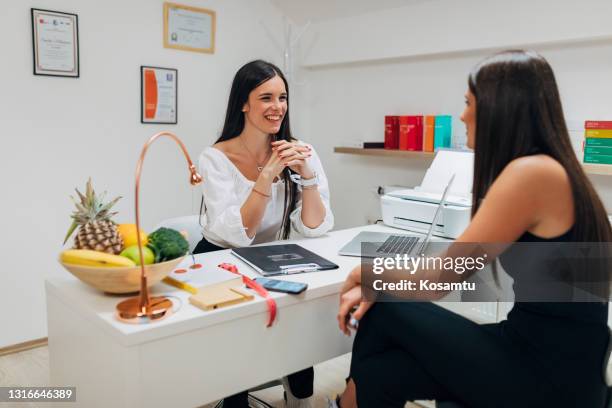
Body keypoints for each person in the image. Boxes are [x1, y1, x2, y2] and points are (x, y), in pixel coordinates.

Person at [333, 50, 612, 408]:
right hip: (546, 357)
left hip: (550, 376)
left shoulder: (532, 174)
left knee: (385, 307)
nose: (463, 115)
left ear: (501, 106)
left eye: (468, 103)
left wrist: (369, 273)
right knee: (383, 372)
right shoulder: (553, 169)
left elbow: (442, 277)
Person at [196, 60, 334, 408]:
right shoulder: (215, 158)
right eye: (266, 98)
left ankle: (299, 394)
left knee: (300, 316)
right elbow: (239, 232)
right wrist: (265, 178)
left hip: (275, 256)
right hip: (220, 257)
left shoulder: (302, 151)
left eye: (282, 97)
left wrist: (308, 176)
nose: (278, 108)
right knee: (237, 332)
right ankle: (233, 400)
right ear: (244, 103)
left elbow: (315, 227)